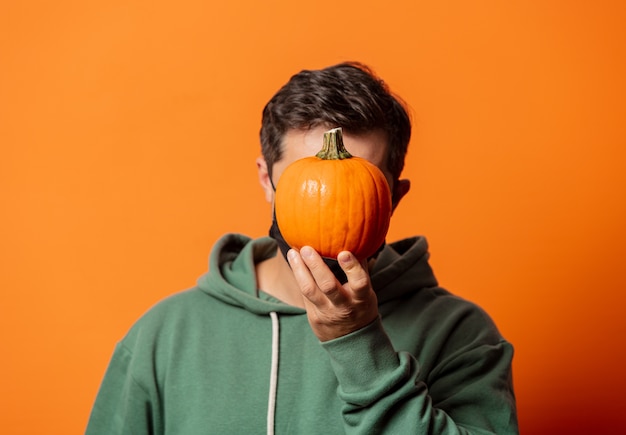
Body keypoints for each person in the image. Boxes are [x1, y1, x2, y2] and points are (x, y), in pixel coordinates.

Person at [86, 62, 518, 434]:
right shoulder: (164, 336)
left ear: (394, 197)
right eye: (306, 184)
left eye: (357, 187)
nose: (331, 209)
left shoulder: (462, 335)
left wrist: (359, 346)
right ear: (265, 180)